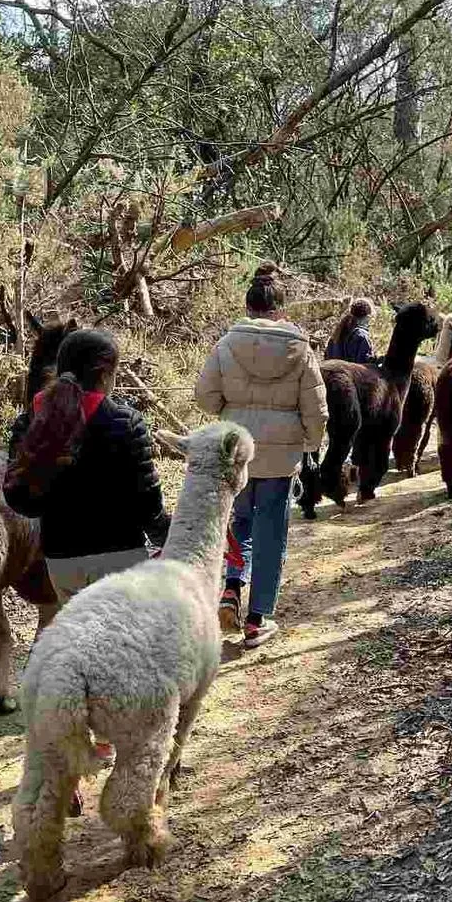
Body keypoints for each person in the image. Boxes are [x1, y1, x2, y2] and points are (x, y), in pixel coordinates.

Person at [195, 263, 328, 648]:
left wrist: (229, 409)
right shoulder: (300, 349)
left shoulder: (226, 344)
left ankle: (232, 587)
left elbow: (204, 397)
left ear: (248, 306)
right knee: (272, 532)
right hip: (280, 458)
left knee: (238, 521)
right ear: (281, 310)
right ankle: (257, 619)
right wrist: (308, 444)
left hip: (235, 450)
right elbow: (317, 411)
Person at [4, 327, 171, 603]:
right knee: (122, 643)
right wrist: (167, 534)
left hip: (62, 564)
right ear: (106, 375)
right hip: (121, 560)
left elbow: (20, 500)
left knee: (83, 643)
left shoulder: (32, 420)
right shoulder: (126, 422)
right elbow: (147, 503)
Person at [325, 297, 376, 363]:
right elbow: (363, 365)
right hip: (349, 372)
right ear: (367, 317)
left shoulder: (337, 333)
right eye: (370, 318)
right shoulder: (362, 336)